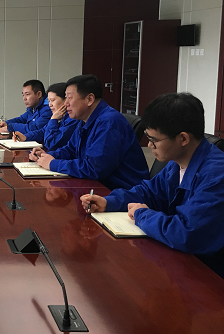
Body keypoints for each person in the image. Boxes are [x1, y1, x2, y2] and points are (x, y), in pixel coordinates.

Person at [81, 93, 224, 278]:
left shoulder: (216, 175)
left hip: (209, 274)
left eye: (154, 140)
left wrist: (142, 214)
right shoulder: (178, 162)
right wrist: (109, 202)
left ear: (183, 139)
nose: (149, 145)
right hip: (182, 259)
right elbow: (148, 192)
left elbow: (186, 233)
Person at [29, 74, 148, 190]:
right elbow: (71, 149)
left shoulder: (109, 122)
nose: (66, 103)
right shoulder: (84, 120)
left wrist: (53, 164)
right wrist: (49, 156)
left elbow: (94, 168)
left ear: (89, 99)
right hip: (95, 185)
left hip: (119, 192)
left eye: (70, 98)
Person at [11, 82, 78, 150]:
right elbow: (42, 132)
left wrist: (53, 120)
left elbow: (52, 143)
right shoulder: (59, 116)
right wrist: (25, 137)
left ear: (65, 100)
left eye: (52, 100)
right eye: (49, 101)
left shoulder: (72, 119)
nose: (50, 105)